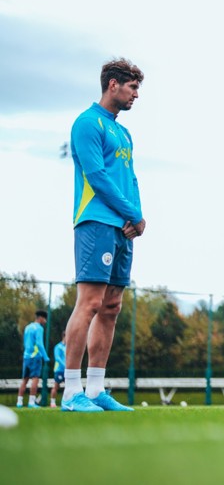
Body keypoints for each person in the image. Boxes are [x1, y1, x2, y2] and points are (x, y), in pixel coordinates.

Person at [62, 58, 145, 413]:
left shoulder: (123, 132)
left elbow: (132, 179)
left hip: (123, 227)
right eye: (132, 87)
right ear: (113, 84)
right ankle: (70, 392)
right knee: (91, 303)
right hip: (95, 221)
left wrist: (137, 217)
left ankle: (95, 390)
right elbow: (97, 176)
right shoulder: (87, 123)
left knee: (112, 307)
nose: (136, 95)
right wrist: (129, 212)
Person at [17, 310, 50, 409]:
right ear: (41, 318)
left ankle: (19, 402)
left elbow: (25, 343)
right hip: (35, 357)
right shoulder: (39, 328)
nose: (45, 322)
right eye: (45, 319)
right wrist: (45, 356)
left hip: (26, 357)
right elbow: (39, 344)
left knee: (24, 380)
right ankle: (31, 402)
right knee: (35, 379)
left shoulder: (27, 327)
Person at [50, 333, 67, 408]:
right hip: (59, 370)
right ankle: (52, 402)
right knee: (56, 386)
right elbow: (57, 358)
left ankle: (64, 401)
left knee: (68, 387)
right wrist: (65, 366)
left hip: (67, 371)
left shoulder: (69, 346)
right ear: (64, 336)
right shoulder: (58, 347)